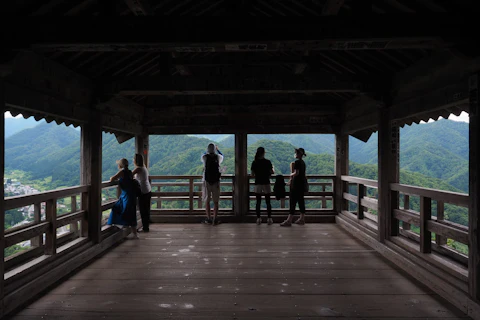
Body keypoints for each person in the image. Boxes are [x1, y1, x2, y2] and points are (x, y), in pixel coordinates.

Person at [107, 158, 138, 239]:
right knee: (130, 212)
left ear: (120, 165)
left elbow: (112, 179)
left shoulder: (122, 172)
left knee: (119, 209)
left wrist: (117, 179)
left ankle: (128, 230)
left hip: (126, 195)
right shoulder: (130, 172)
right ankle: (131, 231)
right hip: (130, 194)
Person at [280, 148, 307, 227]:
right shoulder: (303, 162)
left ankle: (289, 220)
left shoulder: (297, 162)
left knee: (293, 202)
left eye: (295, 153)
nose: (295, 154)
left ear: (298, 154)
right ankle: (302, 219)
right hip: (301, 185)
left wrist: (290, 174)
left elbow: (296, 173)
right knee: (301, 201)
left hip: (296, 185)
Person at [201, 143, 224, 225]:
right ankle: (215, 219)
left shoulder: (205, 157)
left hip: (207, 181)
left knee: (207, 201)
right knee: (216, 201)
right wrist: (217, 149)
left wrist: (207, 150)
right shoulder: (218, 157)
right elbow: (222, 155)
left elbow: (203, 154)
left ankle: (208, 218)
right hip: (216, 181)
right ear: (214, 149)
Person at [251, 147, 274, 225]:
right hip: (266, 182)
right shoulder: (268, 162)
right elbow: (272, 172)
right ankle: (269, 218)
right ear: (264, 153)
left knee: (258, 202)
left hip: (258, 183)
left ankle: (258, 218)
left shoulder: (254, 162)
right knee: (268, 202)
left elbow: (252, 174)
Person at [132, 153, 152, 232]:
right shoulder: (144, 167)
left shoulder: (139, 168)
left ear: (136, 161)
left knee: (143, 210)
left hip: (143, 191)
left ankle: (145, 227)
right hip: (147, 190)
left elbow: (129, 174)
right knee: (146, 210)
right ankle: (146, 227)